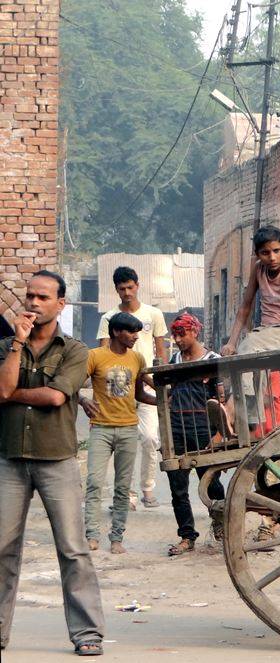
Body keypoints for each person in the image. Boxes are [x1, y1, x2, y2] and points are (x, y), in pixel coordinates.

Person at [0, 271, 106, 656]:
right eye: (29, 296)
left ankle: (87, 633)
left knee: (73, 548)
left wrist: (13, 395)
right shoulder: (6, 346)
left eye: (43, 297)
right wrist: (17, 344)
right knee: (2, 546)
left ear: (61, 304)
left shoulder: (76, 350)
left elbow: (57, 398)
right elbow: (1, 387)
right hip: (10, 458)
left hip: (56, 460)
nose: (33, 303)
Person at [219, 225, 280, 433]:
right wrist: (230, 342)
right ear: (257, 255)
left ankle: (230, 410)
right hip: (267, 336)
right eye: (265, 253)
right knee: (248, 354)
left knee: (249, 345)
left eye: (276, 251)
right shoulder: (258, 270)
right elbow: (245, 307)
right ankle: (250, 419)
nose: (271, 257)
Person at [80, 312, 156, 554]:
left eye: (137, 332)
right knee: (94, 483)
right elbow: (71, 385)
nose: (135, 337)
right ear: (115, 332)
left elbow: (140, 393)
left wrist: (163, 400)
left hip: (127, 428)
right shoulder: (94, 356)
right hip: (101, 428)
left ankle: (116, 539)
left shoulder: (137, 359)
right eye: (130, 332)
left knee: (123, 487)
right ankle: (91, 535)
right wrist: (83, 401)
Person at [97, 266, 167, 509]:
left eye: (130, 287)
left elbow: (161, 351)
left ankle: (148, 487)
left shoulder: (154, 314)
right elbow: (104, 352)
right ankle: (126, 495)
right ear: (116, 290)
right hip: (118, 383)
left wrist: (162, 381)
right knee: (122, 441)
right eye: (121, 288)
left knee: (149, 438)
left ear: (138, 286)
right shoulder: (108, 318)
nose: (126, 292)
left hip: (147, 381)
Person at [165, 313, 226, 556]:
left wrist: (220, 434)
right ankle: (187, 536)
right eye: (175, 334)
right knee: (177, 487)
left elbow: (223, 401)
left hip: (204, 429)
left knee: (211, 482)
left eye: (182, 334)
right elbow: (168, 396)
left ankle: (221, 526)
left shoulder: (213, 360)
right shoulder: (174, 359)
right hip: (177, 429)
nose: (178, 339)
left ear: (195, 332)